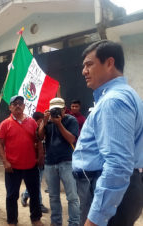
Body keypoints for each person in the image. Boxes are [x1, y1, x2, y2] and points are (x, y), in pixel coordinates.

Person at [72, 40, 143, 226]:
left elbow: (118, 164)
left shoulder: (113, 101)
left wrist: (95, 219)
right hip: (118, 191)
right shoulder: (125, 95)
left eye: (89, 64)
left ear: (109, 63)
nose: (83, 71)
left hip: (106, 192)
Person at [0, 95, 44, 226]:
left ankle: (36, 218)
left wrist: (40, 156)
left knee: (34, 194)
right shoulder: (5, 124)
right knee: (12, 196)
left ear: (24, 106)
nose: (18, 105)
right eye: (15, 103)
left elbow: (38, 140)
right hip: (13, 167)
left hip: (31, 166)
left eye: (20, 103)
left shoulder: (32, 122)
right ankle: (12, 221)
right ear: (10, 107)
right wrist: (5, 162)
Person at [38, 97, 80, 226]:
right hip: (50, 162)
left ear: (64, 109)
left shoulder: (71, 120)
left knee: (72, 197)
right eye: (53, 110)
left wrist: (59, 123)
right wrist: (44, 123)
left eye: (58, 110)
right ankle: (56, 223)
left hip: (67, 162)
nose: (56, 113)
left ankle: (74, 223)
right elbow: (40, 137)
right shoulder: (48, 120)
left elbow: (71, 139)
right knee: (53, 196)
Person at [21, 112, 48, 213]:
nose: (42, 123)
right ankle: (39, 204)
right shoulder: (32, 132)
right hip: (34, 162)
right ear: (35, 121)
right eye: (40, 121)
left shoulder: (45, 130)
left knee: (37, 182)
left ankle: (25, 194)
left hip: (43, 161)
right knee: (37, 184)